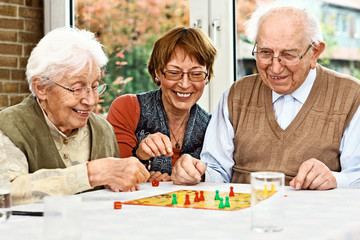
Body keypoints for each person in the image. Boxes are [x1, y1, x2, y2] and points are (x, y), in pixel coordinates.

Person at [171, 4, 360, 190]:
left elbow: (357, 176)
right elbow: (217, 171)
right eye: (265, 53)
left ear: (315, 52)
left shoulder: (351, 96)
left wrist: (335, 180)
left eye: (288, 55)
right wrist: (197, 173)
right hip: (242, 214)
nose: (275, 67)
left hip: (314, 217)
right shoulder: (236, 94)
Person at [0, 27, 150, 205]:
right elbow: (7, 192)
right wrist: (91, 173)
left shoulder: (103, 130)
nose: (91, 100)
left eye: (95, 86)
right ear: (41, 87)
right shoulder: (10, 126)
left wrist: (120, 180)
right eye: (77, 88)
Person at [107, 27, 217, 182]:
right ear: (157, 72)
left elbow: (218, 177)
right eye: (173, 72)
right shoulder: (127, 108)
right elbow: (114, 174)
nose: (185, 84)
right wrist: (141, 157)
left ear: (207, 77)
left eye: (196, 74)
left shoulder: (213, 127)